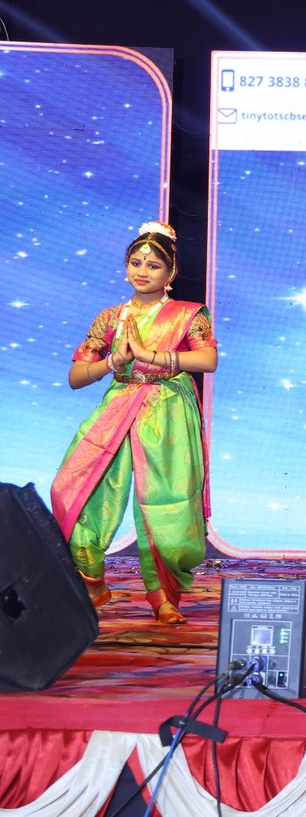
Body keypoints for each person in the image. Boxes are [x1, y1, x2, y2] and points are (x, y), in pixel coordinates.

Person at [50, 221, 217, 626]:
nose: (142, 271)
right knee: (75, 488)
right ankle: (91, 581)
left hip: (167, 408)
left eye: (154, 265)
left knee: (167, 500)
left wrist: (149, 355)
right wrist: (115, 361)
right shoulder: (110, 317)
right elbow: (76, 377)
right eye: (136, 263)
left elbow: (208, 360)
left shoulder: (189, 314)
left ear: (171, 272)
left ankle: (164, 596)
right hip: (118, 404)